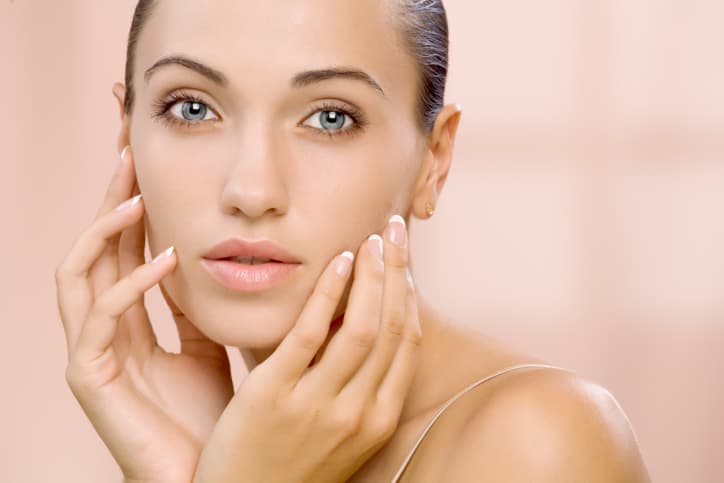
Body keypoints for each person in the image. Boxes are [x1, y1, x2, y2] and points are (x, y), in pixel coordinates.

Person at [54, 1, 652, 481]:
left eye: (330, 117)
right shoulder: (211, 440)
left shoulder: (540, 441)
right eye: (192, 108)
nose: (252, 190)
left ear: (434, 161)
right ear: (126, 135)